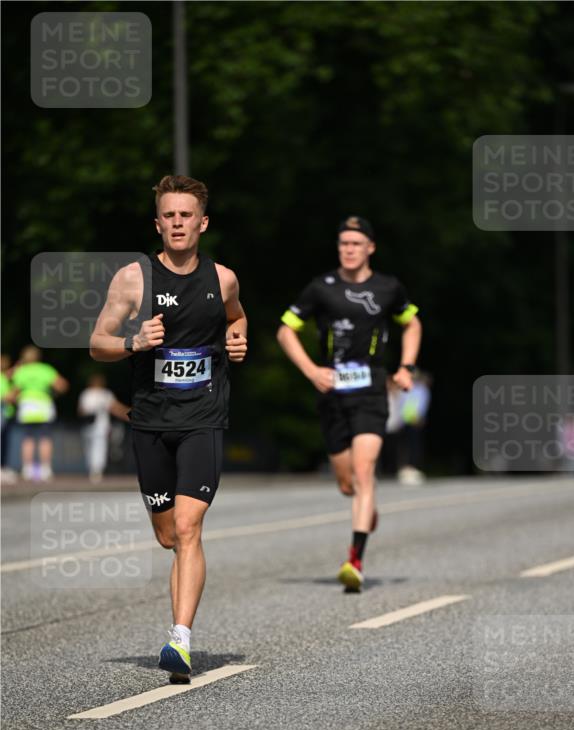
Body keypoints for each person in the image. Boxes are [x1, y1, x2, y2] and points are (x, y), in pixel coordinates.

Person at [89, 175, 248, 682]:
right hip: (150, 422)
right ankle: (179, 626)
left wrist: (238, 341)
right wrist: (134, 342)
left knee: (188, 527)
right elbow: (97, 343)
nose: (177, 224)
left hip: (203, 417)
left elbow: (236, 319)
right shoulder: (133, 279)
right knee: (166, 535)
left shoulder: (222, 278)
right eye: (169, 216)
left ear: (202, 223)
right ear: (157, 223)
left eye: (186, 216)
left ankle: (180, 638)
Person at [276, 215, 421, 591]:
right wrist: (311, 371)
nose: (349, 250)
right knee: (346, 483)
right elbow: (285, 330)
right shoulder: (320, 287)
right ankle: (364, 508)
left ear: (370, 247)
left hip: (372, 390)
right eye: (344, 244)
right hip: (332, 393)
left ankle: (354, 560)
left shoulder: (388, 287)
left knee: (364, 470)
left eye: (356, 244)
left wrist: (406, 367)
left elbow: (413, 323)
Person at [11, 345, 69, 481]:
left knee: (28, 439)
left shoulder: (21, 371)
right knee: (45, 438)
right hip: (43, 405)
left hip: (27, 406)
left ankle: (27, 469)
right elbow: (62, 385)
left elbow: (15, 391)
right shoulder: (45, 370)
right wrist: (54, 393)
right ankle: (45, 469)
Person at [78, 373, 130, 481]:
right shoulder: (99, 394)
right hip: (91, 425)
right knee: (94, 448)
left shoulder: (90, 394)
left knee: (97, 447)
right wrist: (129, 415)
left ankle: (95, 470)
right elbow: (115, 408)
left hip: (97, 426)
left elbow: (81, 410)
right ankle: (94, 470)